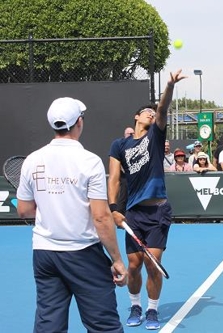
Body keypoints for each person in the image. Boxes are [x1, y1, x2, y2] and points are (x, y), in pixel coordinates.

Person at [17, 97, 127, 333]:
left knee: (49, 325)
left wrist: (51, 208)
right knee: (103, 326)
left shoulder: (32, 160)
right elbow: (101, 217)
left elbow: (24, 210)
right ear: (79, 122)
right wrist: (117, 260)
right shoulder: (90, 161)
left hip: (44, 254)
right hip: (83, 254)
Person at [108, 69, 186, 329]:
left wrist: (170, 86)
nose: (152, 114)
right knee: (133, 265)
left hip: (158, 212)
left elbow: (163, 109)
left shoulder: (155, 136)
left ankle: (152, 310)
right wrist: (113, 209)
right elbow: (115, 178)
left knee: (153, 264)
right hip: (133, 214)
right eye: (147, 112)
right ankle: (135, 305)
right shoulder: (120, 145)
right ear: (136, 117)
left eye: (154, 113)